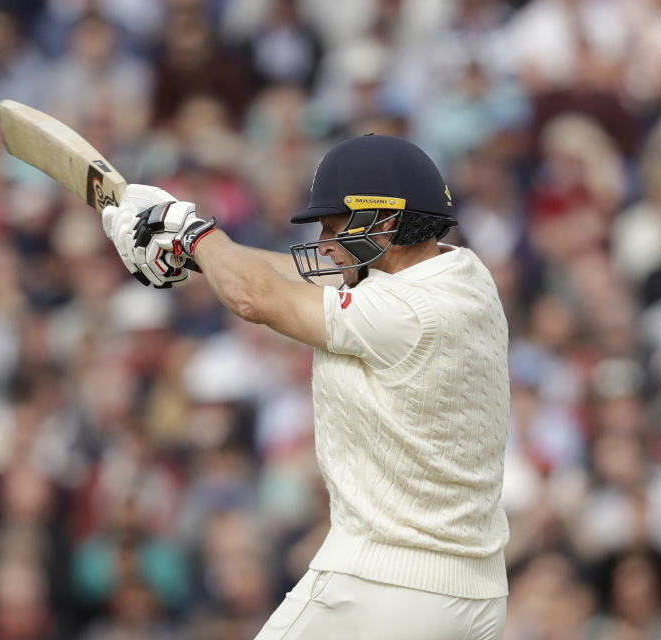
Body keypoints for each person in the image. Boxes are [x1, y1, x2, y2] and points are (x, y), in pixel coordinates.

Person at [101, 134, 510, 640]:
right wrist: (198, 255)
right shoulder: (461, 276)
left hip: (384, 585)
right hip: (475, 597)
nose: (325, 243)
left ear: (384, 220)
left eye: (336, 228)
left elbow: (257, 298)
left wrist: (191, 233)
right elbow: (300, 278)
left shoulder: (409, 313)